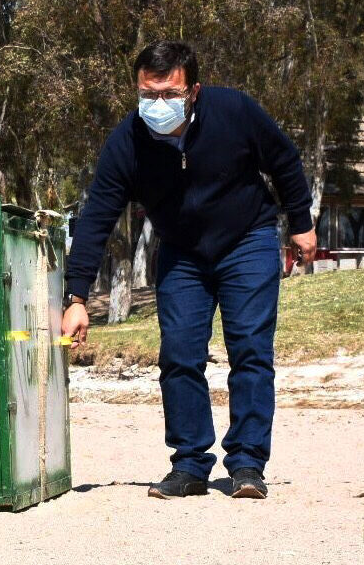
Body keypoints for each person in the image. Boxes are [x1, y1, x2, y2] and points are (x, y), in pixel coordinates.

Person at [60, 40, 315, 500]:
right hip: (181, 252)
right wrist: (77, 297)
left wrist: (301, 224)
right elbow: (98, 215)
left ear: (193, 91)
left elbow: (285, 160)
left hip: (248, 240)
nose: (157, 105)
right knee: (178, 356)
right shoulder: (127, 142)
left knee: (251, 351)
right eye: (147, 94)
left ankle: (248, 464)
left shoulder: (234, 110)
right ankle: (190, 464)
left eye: (169, 94)